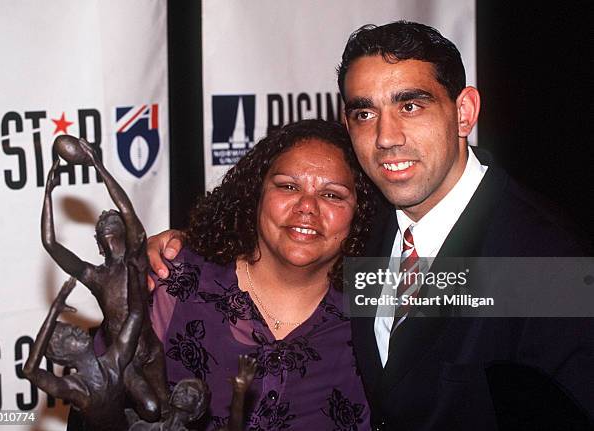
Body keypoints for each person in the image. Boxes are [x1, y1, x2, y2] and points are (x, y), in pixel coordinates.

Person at [151, 21, 594, 430]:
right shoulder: (369, 225)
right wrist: (184, 246)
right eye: (365, 113)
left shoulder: (546, 260)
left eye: (411, 105)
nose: (385, 136)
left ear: (464, 112)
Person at [149, 119, 375, 429]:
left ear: (360, 213)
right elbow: (98, 402)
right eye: (288, 186)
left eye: (332, 195)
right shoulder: (176, 280)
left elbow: (464, 282)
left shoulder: (380, 293)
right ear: (255, 194)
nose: (307, 206)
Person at [42, 137, 168, 422]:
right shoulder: (96, 276)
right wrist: (48, 195)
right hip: (125, 360)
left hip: (152, 349)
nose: (113, 237)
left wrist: (98, 165)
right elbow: (50, 244)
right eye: (107, 234)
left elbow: (127, 210)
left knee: (167, 414)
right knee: (148, 410)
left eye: (117, 230)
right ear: (100, 245)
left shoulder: (137, 260)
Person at [24, 269, 142, 431]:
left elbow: (135, 315)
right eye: (68, 336)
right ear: (62, 355)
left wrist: (134, 270)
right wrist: (54, 311)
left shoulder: (114, 360)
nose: (75, 329)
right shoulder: (77, 388)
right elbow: (30, 372)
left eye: (71, 327)